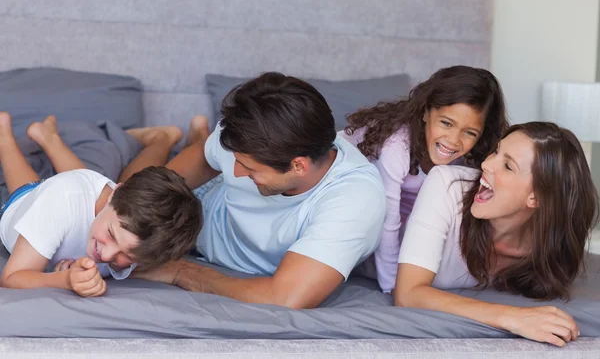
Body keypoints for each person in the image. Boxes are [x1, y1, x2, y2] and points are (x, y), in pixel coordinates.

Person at [134, 72, 386, 309]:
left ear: (298, 166)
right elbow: (176, 174)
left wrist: (181, 271)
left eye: (249, 168)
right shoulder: (250, 135)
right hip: (201, 208)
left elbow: (285, 297)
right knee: (130, 188)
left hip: (205, 247)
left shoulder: (354, 200)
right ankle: (164, 138)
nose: (234, 172)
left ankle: (174, 137)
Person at [394, 122, 598, 347]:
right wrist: (513, 317)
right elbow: (407, 294)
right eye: (496, 151)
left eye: (508, 166)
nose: (487, 164)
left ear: (536, 198)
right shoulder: (448, 184)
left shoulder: (550, 252)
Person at [0, 112, 202, 297]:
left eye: (127, 255)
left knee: (77, 181)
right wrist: (63, 280)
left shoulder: (144, 237)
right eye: (112, 234)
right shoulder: (59, 201)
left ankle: (49, 137)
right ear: (115, 193)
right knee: (28, 193)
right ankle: (4, 138)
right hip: (31, 202)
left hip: (80, 191)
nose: (105, 255)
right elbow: (11, 278)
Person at [342, 65, 508, 292]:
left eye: (469, 132)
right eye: (446, 123)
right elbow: (387, 222)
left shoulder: (470, 160)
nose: (453, 140)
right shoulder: (396, 147)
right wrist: (394, 288)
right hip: (341, 197)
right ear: (425, 112)